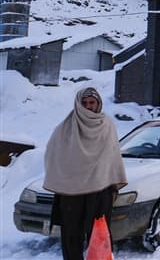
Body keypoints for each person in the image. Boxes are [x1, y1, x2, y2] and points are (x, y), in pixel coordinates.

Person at [43, 87, 127, 260]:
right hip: (71, 193)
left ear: (98, 104)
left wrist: (111, 183)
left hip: (100, 191)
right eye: (85, 103)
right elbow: (52, 154)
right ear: (78, 104)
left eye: (92, 102)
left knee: (98, 236)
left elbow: (112, 156)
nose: (88, 106)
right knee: (71, 236)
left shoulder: (107, 125)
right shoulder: (66, 127)